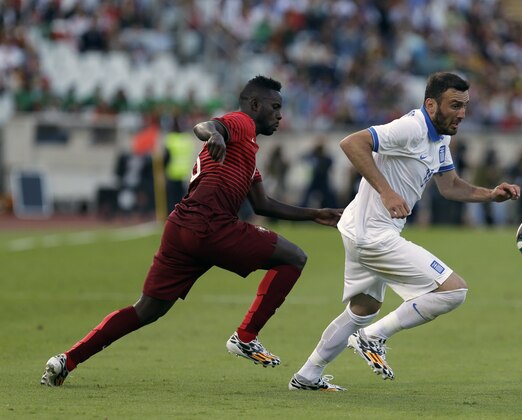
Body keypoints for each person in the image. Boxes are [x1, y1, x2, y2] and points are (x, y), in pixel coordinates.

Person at [40, 75, 343, 387]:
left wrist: (314, 213)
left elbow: (262, 204)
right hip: (211, 225)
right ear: (254, 105)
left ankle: (67, 360)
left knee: (146, 310)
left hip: (182, 227)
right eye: (275, 107)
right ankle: (245, 337)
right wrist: (214, 135)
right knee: (293, 257)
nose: (280, 115)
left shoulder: (247, 151)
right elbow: (206, 126)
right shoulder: (241, 123)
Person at [288, 72, 520, 391]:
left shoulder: (440, 138)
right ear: (431, 104)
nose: (462, 114)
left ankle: (307, 376)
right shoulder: (411, 127)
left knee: (363, 308)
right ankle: (372, 338)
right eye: (454, 105)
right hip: (373, 235)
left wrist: (490, 194)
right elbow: (352, 143)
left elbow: (450, 186)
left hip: (362, 229)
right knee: (453, 291)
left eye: (465, 106)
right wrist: (386, 191)